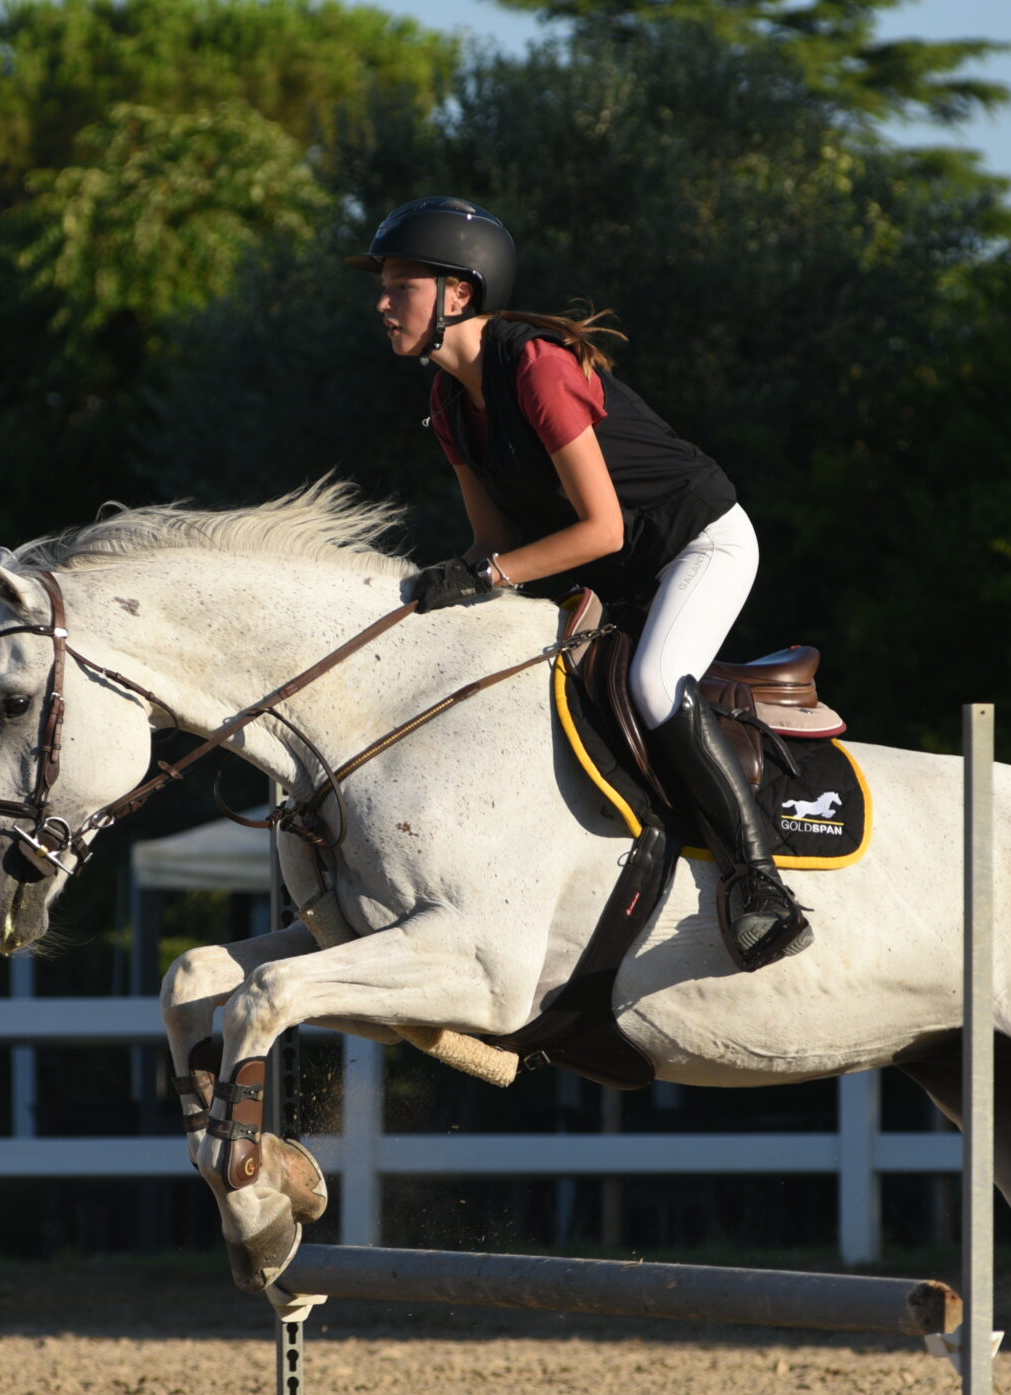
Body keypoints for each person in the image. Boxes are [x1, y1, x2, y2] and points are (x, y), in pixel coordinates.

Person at [348, 195, 812, 972]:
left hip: (699, 542)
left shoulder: (537, 365)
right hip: (622, 577)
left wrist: (488, 573)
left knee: (655, 682)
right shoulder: (447, 401)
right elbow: (493, 544)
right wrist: (442, 588)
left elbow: (602, 529)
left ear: (458, 293)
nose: (383, 302)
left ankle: (760, 885)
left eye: (401, 286)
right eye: (385, 287)